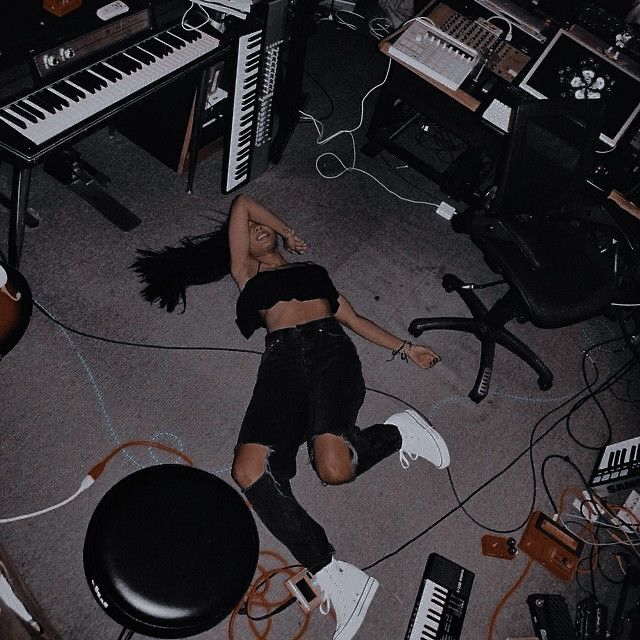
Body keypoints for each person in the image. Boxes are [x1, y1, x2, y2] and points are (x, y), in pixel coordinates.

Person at [132, 194, 450, 640]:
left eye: (265, 230)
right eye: (249, 233)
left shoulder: (313, 273)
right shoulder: (246, 274)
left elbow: (354, 319)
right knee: (247, 470)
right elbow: (242, 203)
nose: (255, 231)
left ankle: (396, 433)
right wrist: (281, 226)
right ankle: (332, 570)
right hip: (281, 362)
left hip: (330, 352)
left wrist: (403, 348)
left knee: (335, 469)